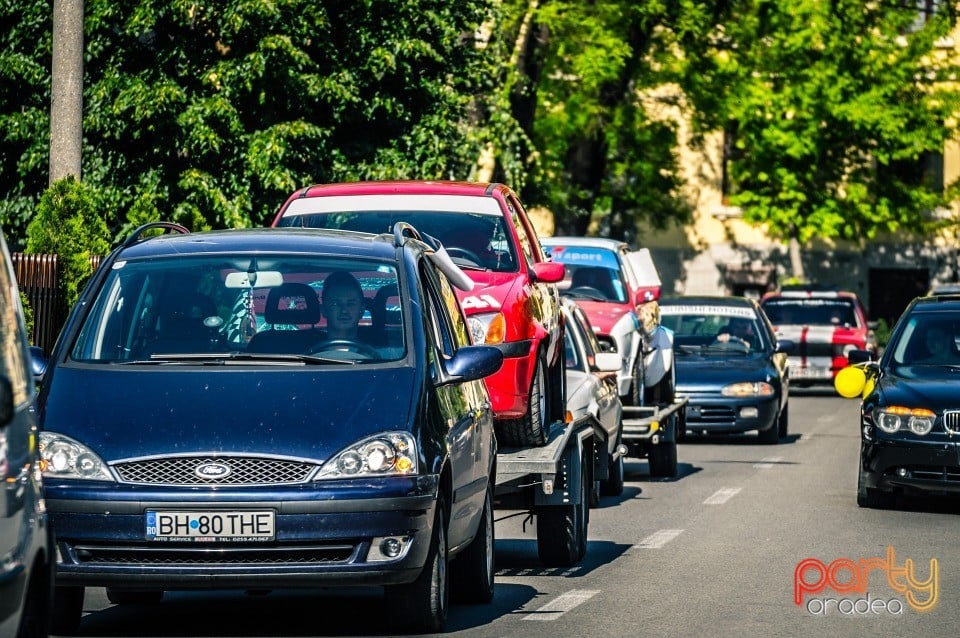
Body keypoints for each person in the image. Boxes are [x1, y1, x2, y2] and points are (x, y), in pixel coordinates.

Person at [321, 271, 366, 340]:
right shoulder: (305, 350)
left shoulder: (377, 350)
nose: (344, 310)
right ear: (324, 310)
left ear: (362, 311)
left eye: (351, 304)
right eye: (335, 304)